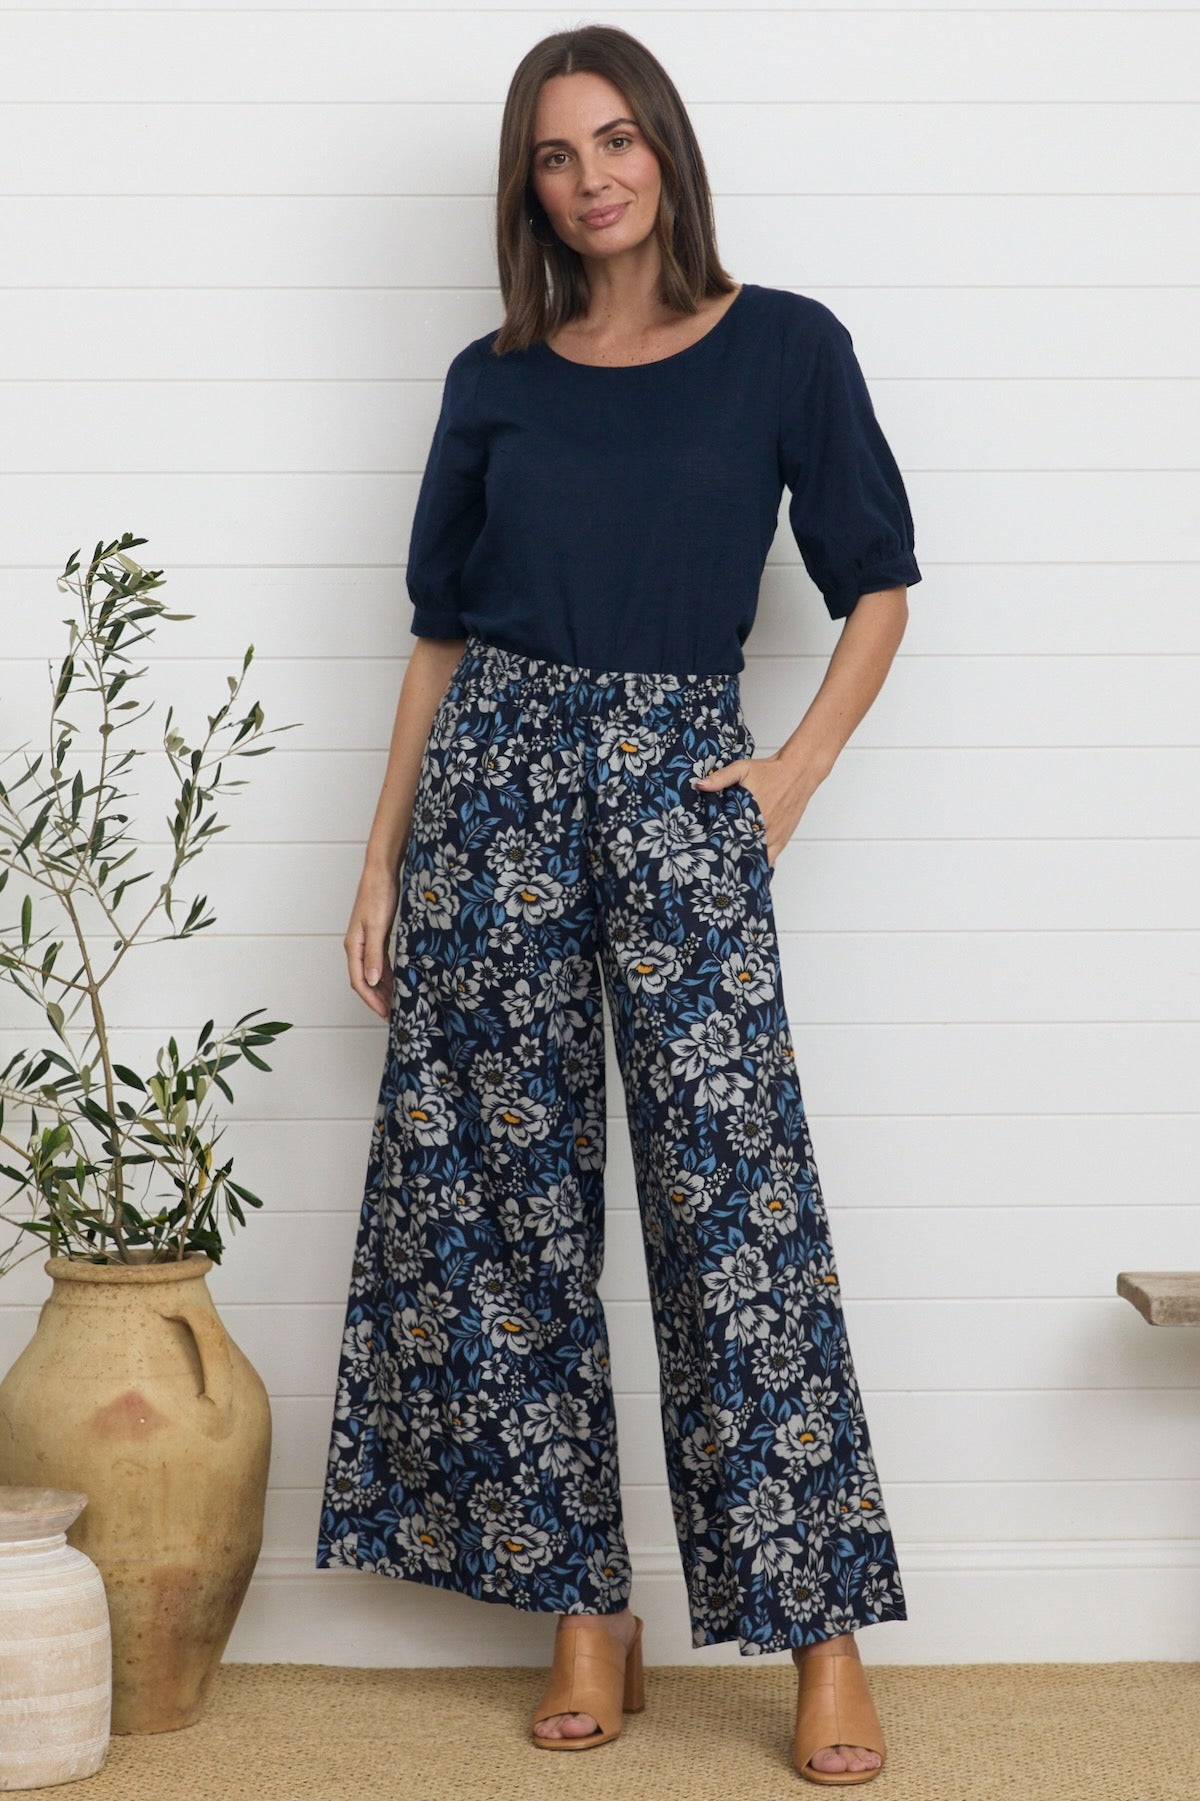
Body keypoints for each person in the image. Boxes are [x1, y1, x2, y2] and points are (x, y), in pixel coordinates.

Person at [316, 22, 920, 1787]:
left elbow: (880, 582)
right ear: (530, 189)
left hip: (681, 784)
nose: (592, 178)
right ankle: (587, 1609)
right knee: (507, 1210)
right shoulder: (493, 378)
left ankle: (821, 1631)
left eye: (615, 140)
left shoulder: (787, 346)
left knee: (738, 1209)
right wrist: (381, 855)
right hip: (491, 784)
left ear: (666, 145)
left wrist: (793, 770)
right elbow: (441, 634)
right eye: (555, 155)